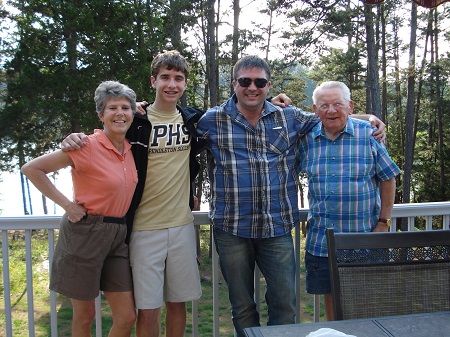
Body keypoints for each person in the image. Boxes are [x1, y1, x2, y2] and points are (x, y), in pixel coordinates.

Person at [195, 56, 387, 336]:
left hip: (278, 229)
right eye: (245, 81)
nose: (252, 87)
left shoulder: (290, 117)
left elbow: (329, 115)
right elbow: (177, 137)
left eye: (259, 82)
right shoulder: (211, 120)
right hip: (232, 228)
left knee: (284, 305)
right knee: (242, 306)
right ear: (234, 84)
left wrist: (368, 118)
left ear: (268, 85)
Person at [21, 81, 138, 337]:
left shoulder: (129, 149)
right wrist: (67, 205)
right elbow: (32, 169)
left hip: (118, 236)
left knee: (127, 317)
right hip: (86, 233)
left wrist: (137, 106)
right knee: (85, 317)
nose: (120, 113)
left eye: (125, 108)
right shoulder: (86, 145)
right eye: (112, 108)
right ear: (100, 115)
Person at [298, 81, 401, 321]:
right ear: (315, 109)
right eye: (324, 105)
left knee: (367, 303)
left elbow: (388, 178)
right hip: (322, 240)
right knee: (333, 302)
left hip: (365, 237)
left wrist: (383, 222)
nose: (331, 110)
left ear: (350, 106)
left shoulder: (368, 135)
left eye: (337, 104)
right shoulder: (306, 139)